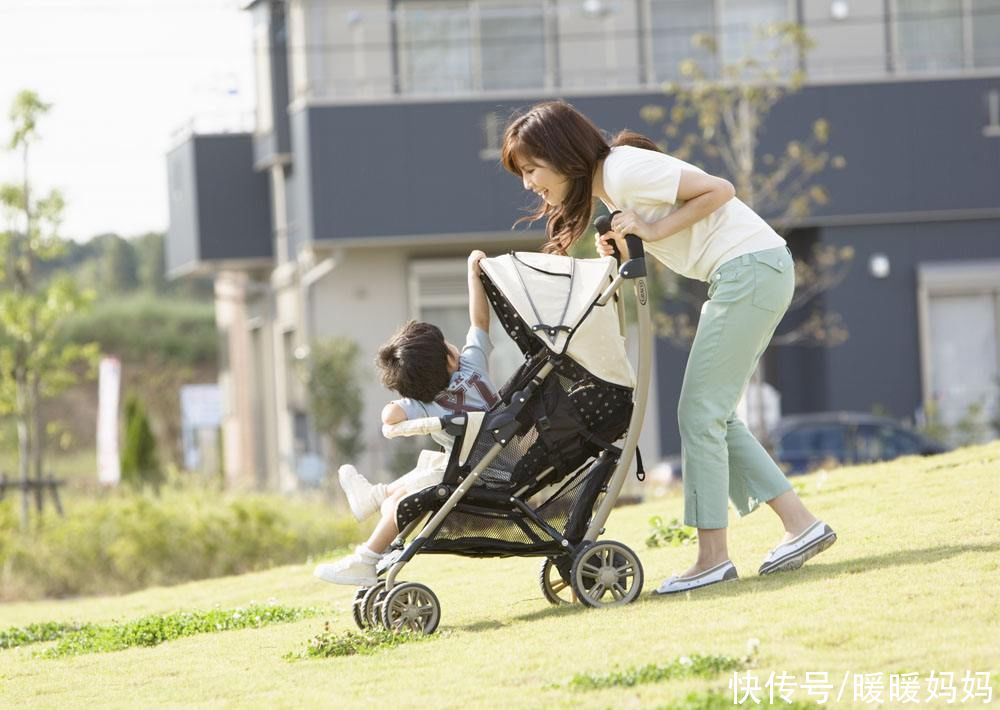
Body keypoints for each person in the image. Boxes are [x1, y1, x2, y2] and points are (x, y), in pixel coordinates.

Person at [500, 100, 836, 595]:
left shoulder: (625, 169)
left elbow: (720, 191)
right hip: (747, 274)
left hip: (749, 271)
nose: (529, 184)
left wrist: (652, 231)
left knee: (700, 413)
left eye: (531, 169)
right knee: (712, 415)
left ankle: (712, 558)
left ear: (562, 154)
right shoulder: (614, 187)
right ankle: (799, 524)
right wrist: (627, 243)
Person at [313, 250, 497, 586]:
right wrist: (474, 274)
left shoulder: (424, 404)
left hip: (473, 474)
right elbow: (479, 321)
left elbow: (392, 415)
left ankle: (366, 557)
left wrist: (393, 412)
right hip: (495, 462)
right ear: (449, 359)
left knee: (404, 499)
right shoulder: (474, 366)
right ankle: (377, 499)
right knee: (425, 472)